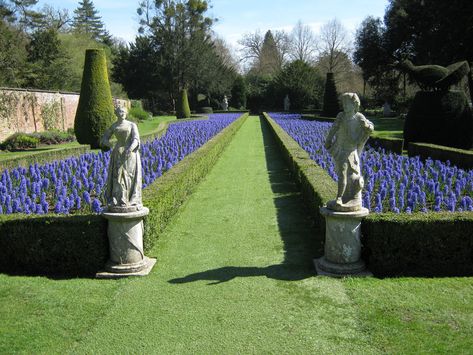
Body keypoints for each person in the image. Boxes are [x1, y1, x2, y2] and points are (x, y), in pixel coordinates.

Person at [324, 93, 374, 211]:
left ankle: (341, 198)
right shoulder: (341, 116)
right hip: (340, 148)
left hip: (351, 151)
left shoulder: (359, 117)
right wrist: (328, 139)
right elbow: (334, 128)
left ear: (355, 105)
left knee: (345, 173)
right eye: (344, 103)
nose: (345, 106)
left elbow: (371, 125)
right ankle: (342, 197)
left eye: (347, 103)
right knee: (342, 172)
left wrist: (368, 126)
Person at [101, 106, 143, 213]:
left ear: (126, 113)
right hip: (118, 153)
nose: (122, 113)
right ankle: (118, 199)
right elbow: (105, 137)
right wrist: (108, 144)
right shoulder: (114, 126)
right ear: (116, 113)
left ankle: (129, 199)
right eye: (120, 111)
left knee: (129, 175)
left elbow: (136, 139)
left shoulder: (131, 125)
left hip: (130, 153)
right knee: (117, 175)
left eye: (124, 111)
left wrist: (130, 149)